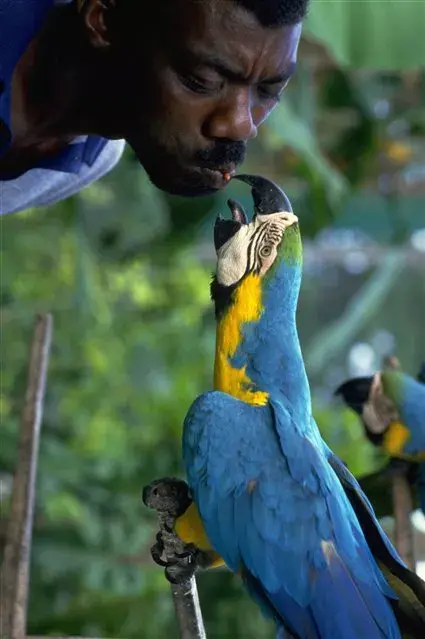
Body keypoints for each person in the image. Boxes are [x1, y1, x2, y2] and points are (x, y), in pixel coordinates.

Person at [0, 0, 308, 215]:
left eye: (268, 90)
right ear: (103, 18)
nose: (242, 125)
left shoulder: (88, 160)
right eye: (201, 80)